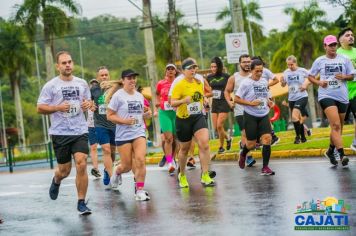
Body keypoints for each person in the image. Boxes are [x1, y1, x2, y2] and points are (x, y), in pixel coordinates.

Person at [37, 51, 92, 215]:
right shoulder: (51, 86)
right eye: (64, 63)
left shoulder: (82, 83)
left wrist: (87, 104)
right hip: (60, 132)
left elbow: (88, 101)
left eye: (69, 62)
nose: (67, 65)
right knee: (65, 171)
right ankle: (56, 179)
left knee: (81, 162)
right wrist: (57, 107)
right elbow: (39, 107)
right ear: (58, 66)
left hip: (80, 130)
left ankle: (81, 202)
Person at [308, 35, 355, 167]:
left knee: (339, 128)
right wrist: (319, 82)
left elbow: (352, 76)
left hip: (342, 97)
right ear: (325, 46)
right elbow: (310, 76)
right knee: (335, 125)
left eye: (334, 44)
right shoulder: (319, 61)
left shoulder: (344, 59)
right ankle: (342, 155)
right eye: (330, 45)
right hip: (326, 95)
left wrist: (344, 76)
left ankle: (330, 151)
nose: (333, 47)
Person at [108, 69, 151, 201]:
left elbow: (138, 115)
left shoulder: (139, 96)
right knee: (126, 166)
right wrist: (124, 121)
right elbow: (109, 116)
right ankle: (117, 171)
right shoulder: (118, 96)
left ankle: (140, 190)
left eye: (134, 78)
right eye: (129, 78)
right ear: (123, 80)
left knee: (140, 160)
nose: (132, 80)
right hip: (123, 135)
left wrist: (145, 115)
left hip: (138, 132)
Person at [171, 59, 215, 188]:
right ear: (184, 70)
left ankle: (205, 174)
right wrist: (183, 100)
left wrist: (205, 101)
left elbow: (201, 96)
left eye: (194, 68)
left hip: (197, 117)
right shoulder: (179, 84)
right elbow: (172, 102)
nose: (193, 70)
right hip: (183, 119)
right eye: (190, 68)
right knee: (184, 149)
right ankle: (182, 174)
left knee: (204, 143)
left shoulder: (199, 82)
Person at [235, 59, 275, 175]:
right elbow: (236, 99)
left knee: (267, 139)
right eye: (257, 71)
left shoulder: (263, 81)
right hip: (250, 116)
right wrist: (250, 103)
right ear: (251, 70)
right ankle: (243, 153)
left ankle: (265, 167)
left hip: (263, 114)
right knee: (251, 144)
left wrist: (270, 102)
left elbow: (266, 95)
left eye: (261, 71)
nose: (259, 73)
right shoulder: (246, 83)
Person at [224, 54, 256, 167]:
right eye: (244, 62)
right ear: (239, 64)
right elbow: (227, 91)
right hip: (240, 110)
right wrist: (229, 102)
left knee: (254, 136)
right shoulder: (234, 77)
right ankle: (248, 157)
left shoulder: (254, 75)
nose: (247, 64)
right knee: (245, 133)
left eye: (248, 62)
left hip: (254, 110)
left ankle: (243, 147)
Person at [91, 66, 116, 186]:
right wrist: (90, 105)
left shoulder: (114, 88)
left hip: (114, 123)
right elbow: (87, 101)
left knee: (112, 151)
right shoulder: (94, 90)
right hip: (100, 124)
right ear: (98, 77)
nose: (104, 77)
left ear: (109, 76)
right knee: (106, 149)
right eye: (102, 75)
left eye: (106, 75)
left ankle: (107, 169)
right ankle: (112, 179)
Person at [280, 55, 311, 144]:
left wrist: (305, 84)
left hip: (302, 96)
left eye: (291, 64)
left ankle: (297, 137)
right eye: (288, 65)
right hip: (291, 98)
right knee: (296, 119)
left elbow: (311, 78)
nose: (290, 67)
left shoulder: (302, 70)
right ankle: (303, 137)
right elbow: (283, 84)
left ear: (295, 63)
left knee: (294, 116)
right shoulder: (286, 72)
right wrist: (282, 82)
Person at [251, 56, 280, 146]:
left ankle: (273, 136)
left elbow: (276, 80)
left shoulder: (266, 71)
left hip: (266, 96)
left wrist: (267, 85)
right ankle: (261, 138)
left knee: (264, 116)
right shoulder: (250, 73)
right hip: (256, 98)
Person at [155, 64, 179, 174]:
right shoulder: (161, 83)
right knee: (168, 138)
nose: (170, 71)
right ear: (166, 71)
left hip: (177, 112)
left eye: (172, 69)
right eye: (168, 69)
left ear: (175, 71)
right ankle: (169, 162)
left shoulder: (178, 82)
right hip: (164, 113)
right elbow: (156, 93)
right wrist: (157, 104)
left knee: (176, 139)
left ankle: (173, 158)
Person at [207, 57, 232, 154]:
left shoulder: (226, 76)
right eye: (211, 67)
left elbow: (231, 89)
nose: (213, 69)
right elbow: (207, 90)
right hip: (215, 103)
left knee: (219, 125)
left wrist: (230, 98)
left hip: (224, 102)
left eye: (215, 67)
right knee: (216, 128)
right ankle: (228, 139)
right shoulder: (209, 78)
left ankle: (221, 146)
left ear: (219, 67)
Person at [337, 28, 356, 151]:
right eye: (347, 35)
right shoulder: (337, 54)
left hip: (355, 91)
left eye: (352, 35)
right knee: (339, 124)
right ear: (340, 40)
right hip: (341, 92)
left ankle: (355, 142)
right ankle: (336, 148)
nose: (351, 37)